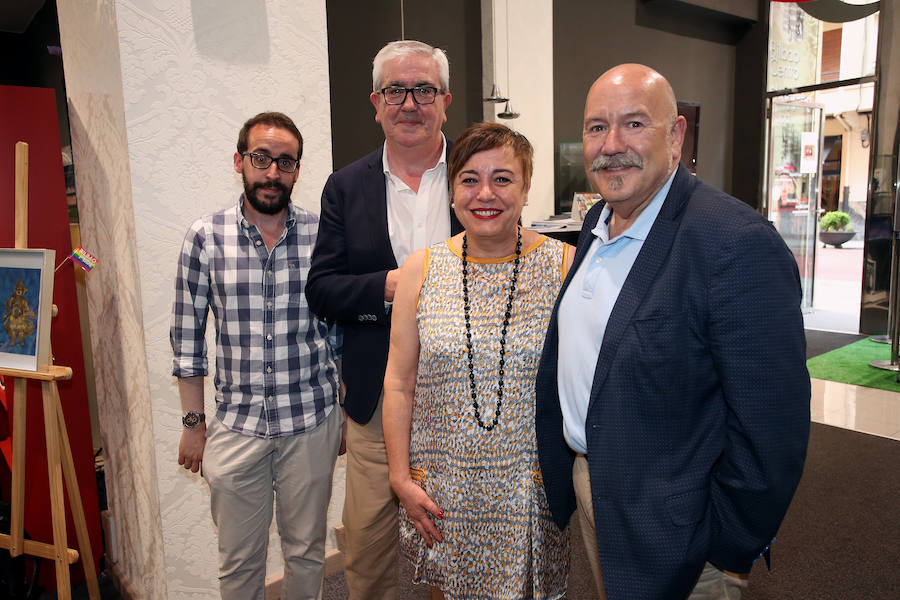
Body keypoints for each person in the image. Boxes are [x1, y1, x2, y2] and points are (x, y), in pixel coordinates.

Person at [535, 64, 811, 600]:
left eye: (634, 124)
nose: (611, 145)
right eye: (596, 127)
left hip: (677, 531)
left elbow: (772, 426)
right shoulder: (599, 222)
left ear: (677, 134)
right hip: (600, 495)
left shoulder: (732, 242)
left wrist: (722, 546)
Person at [383, 122, 575, 599]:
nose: (484, 193)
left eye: (503, 178)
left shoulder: (566, 266)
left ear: (527, 187)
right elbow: (399, 383)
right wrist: (400, 477)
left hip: (528, 489)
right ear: (451, 190)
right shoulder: (420, 270)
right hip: (445, 487)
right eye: (469, 179)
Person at [305, 40, 462, 598]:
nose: (409, 103)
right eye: (396, 90)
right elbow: (321, 289)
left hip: (464, 401)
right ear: (376, 103)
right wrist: (389, 288)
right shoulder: (345, 187)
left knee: (459, 543)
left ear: (445, 100)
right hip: (375, 403)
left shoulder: (477, 177)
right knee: (368, 552)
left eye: (423, 89)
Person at [171, 112, 342, 599]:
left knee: (306, 553)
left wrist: (345, 413)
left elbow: (337, 332)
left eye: (284, 162)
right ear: (239, 161)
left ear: (297, 170)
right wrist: (192, 423)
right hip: (236, 426)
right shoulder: (205, 237)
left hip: (310, 422)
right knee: (239, 564)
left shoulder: (321, 234)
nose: (272, 173)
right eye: (261, 159)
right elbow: (187, 338)